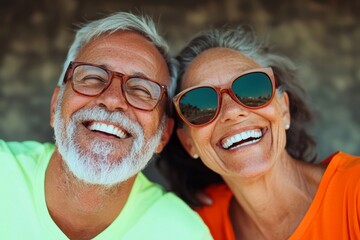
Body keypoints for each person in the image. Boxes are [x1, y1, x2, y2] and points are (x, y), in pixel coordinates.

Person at [0, 12, 212, 240]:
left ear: (164, 135)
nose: (112, 100)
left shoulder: (181, 233)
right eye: (93, 78)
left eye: (141, 90)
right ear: (55, 105)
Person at [158, 25, 360, 239]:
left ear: (283, 109)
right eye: (200, 103)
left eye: (250, 88)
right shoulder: (195, 226)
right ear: (189, 142)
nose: (233, 112)